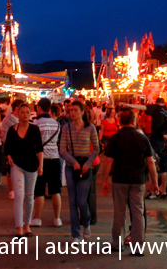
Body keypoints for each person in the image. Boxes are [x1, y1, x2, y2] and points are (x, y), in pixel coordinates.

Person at [101, 108, 158, 254]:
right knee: (137, 212)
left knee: (119, 212)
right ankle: (138, 246)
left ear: (119, 121)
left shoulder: (115, 138)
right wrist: (155, 182)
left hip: (120, 179)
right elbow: (150, 162)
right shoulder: (142, 138)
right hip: (138, 179)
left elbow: (108, 161)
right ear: (134, 121)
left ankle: (117, 243)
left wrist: (104, 180)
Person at [59, 100, 99, 243]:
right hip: (71, 166)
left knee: (82, 200)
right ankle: (75, 234)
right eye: (71, 110)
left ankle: (86, 224)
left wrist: (88, 163)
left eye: (76, 110)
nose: (73, 112)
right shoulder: (66, 128)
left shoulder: (90, 128)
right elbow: (62, 149)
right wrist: (73, 162)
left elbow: (96, 148)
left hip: (85, 166)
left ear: (82, 112)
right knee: (72, 201)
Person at [5, 103, 43, 237]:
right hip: (16, 165)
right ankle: (19, 226)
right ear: (18, 114)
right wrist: (9, 157)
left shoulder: (34, 130)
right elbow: (7, 147)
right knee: (19, 196)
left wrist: (41, 165)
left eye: (27, 112)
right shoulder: (12, 129)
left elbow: (39, 149)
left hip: (32, 165)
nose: (25, 115)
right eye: (22, 112)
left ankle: (27, 224)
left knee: (29, 196)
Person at [31, 98, 63, 228]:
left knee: (39, 190)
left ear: (39, 108)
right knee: (55, 190)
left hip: (40, 160)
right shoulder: (57, 124)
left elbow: (34, 144)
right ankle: (57, 218)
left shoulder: (35, 124)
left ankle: (37, 218)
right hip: (55, 159)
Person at [145, 97, 167, 196]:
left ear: (156, 103)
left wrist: (128, 105)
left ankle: (154, 189)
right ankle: (163, 190)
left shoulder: (157, 109)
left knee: (153, 164)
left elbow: (143, 107)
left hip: (156, 140)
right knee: (164, 165)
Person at [0, 99, 24, 200]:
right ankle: (12, 191)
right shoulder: (8, 119)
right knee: (10, 169)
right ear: (17, 108)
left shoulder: (22, 119)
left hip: (21, 149)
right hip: (11, 148)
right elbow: (4, 134)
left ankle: (19, 189)